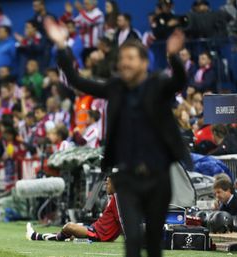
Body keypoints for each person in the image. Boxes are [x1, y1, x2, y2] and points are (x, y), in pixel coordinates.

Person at [45, 17, 189, 257]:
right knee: (131, 240)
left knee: (153, 242)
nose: (125, 63)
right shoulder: (114, 87)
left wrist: (174, 57)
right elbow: (76, 80)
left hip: (157, 176)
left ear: (144, 63)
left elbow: (179, 81)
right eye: (122, 59)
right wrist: (62, 47)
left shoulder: (157, 85)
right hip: (126, 176)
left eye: (131, 58)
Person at [26, 176, 121, 242]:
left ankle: (37, 236)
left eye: (107, 184)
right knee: (70, 229)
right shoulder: (114, 198)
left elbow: (122, 220)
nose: (105, 186)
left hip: (98, 234)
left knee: (69, 227)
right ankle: (37, 236)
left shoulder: (117, 198)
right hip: (95, 229)